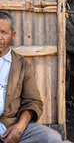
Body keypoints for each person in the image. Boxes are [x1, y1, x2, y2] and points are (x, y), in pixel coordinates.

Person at [0, 11, 65, 143]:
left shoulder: (22, 65)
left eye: (3, 32)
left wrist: (20, 126)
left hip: (11, 123)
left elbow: (33, 101)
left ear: (13, 35)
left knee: (52, 138)